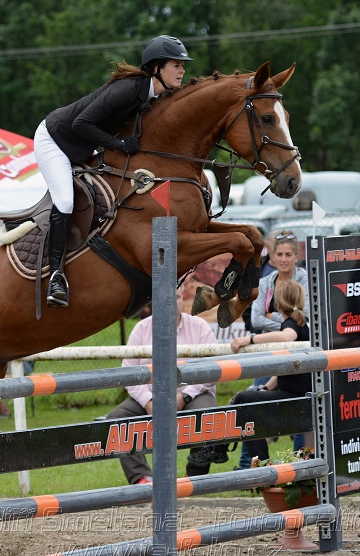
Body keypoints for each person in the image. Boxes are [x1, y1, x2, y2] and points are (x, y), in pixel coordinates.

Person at [35, 34, 192, 308]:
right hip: (56, 139)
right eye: (176, 64)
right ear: (156, 68)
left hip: (83, 146)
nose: (182, 69)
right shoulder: (129, 89)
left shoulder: (155, 96)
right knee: (65, 200)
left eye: (182, 65)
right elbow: (81, 124)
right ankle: (56, 277)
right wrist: (118, 144)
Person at [106, 286, 226, 485]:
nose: (172, 303)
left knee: (206, 413)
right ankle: (142, 479)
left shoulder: (200, 327)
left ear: (183, 300)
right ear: (154, 303)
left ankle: (195, 476)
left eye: (177, 297)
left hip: (193, 394)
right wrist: (148, 402)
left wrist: (185, 396)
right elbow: (128, 372)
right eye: (166, 298)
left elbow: (211, 371)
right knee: (117, 418)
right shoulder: (142, 329)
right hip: (151, 396)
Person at [229, 280, 310, 464]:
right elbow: (289, 367)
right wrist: (266, 387)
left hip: (295, 399)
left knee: (242, 400)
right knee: (251, 397)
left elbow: (287, 336)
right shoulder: (302, 323)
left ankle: (263, 464)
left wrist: (250, 339)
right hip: (297, 395)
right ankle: (261, 462)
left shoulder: (291, 325)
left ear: (278, 306)